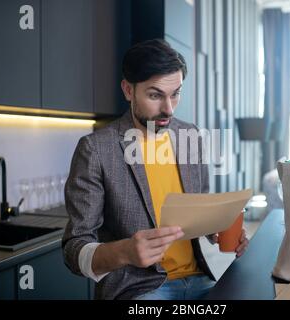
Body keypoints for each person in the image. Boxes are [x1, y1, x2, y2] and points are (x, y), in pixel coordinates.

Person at [62, 39, 249, 300]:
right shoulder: (96, 150)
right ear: (128, 90)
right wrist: (126, 251)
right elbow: (74, 249)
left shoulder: (190, 136)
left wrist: (222, 230)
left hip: (203, 278)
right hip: (140, 288)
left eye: (175, 94)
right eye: (155, 95)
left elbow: (201, 220)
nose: (168, 109)